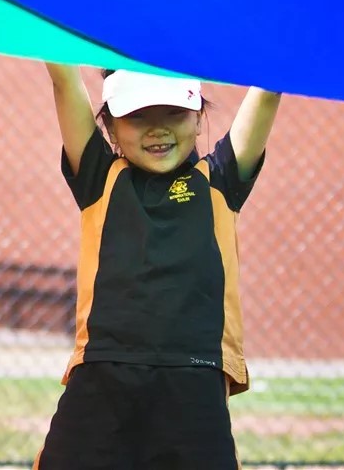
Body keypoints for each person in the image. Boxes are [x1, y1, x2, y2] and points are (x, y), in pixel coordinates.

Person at [36, 65, 282, 469]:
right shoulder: (100, 177)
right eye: (137, 116)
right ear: (110, 127)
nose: (157, 130)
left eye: (173, 113)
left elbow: (269, 89)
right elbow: (64, 79)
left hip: (194, 381)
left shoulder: (219, 179)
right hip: (103, 376)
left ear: (199, 115)